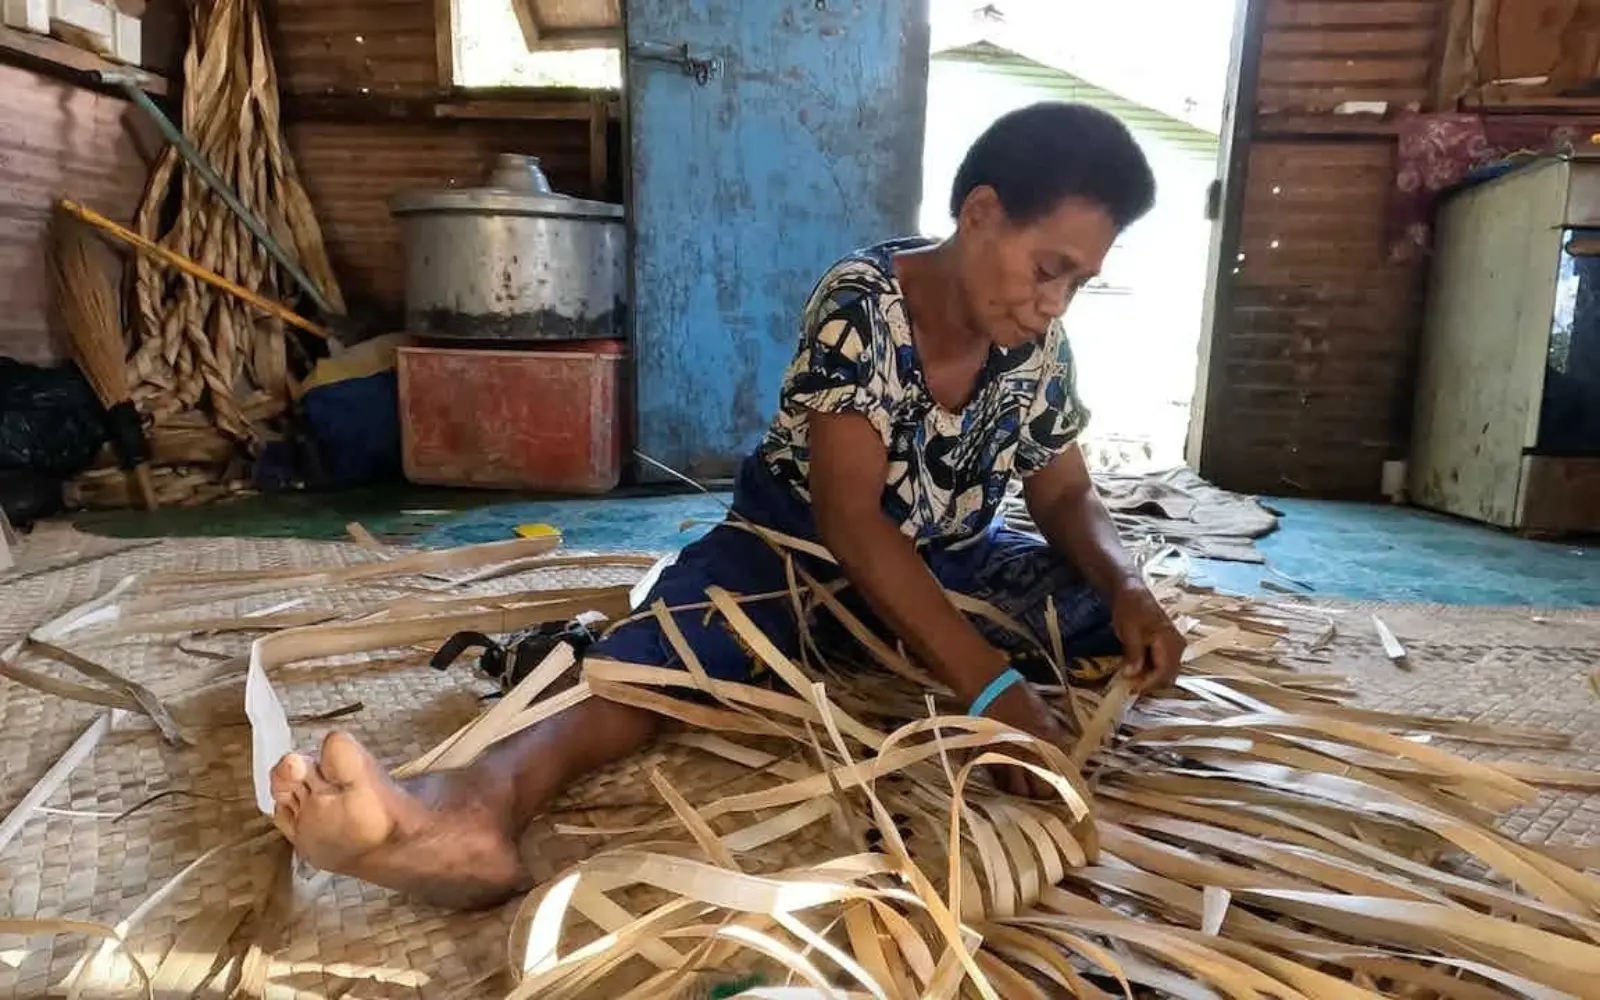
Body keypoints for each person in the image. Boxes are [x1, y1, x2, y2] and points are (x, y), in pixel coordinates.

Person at [268, 102, 1187, 910]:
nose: (1053, 303)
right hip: (797, 556)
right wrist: (989, 689)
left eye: (1077, 284)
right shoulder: (864, 304)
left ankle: (986, 635)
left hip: (949, 566)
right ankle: (470, 815)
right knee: (662, 666)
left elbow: (1062, 488)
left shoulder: (1034, 348)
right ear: (980, 213)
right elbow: (853, 524)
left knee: (1097, 615)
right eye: (1049, 269)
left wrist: (1126, 585)